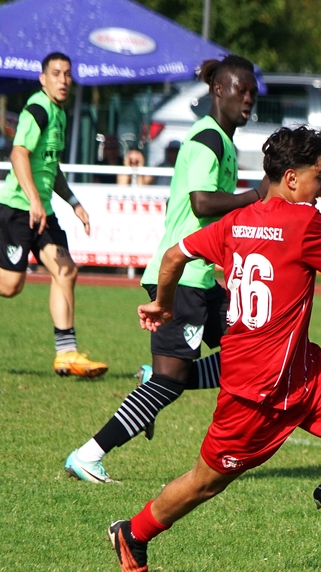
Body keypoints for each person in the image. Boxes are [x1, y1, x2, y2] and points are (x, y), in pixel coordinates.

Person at [107, 125, 321, 572]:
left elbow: (172, 257)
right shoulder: (306, 222)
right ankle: (133, 533)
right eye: (319, 176)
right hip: (253, 392)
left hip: (306, 372)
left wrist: (162, 305)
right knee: (205, 483)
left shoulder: (236, 221)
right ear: (291, 178)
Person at [64, 55, 267, 483]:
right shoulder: (208, 139)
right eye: (241, 90)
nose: (248, 98)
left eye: (253, 92)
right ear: (218, 91)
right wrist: (256, 195)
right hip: (181, 278)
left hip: (200, 277)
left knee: (250, 353)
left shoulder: (222, 141)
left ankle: (152, 378)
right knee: (170, 383)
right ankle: (87, 454)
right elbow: (201, 202)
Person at [0, 52, 107, 378]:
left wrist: (73, 202)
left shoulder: (58, 113)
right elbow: (19, 154)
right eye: (56, 74)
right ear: (43, 79)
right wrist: (33, 200)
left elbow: (50, 166)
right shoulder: (38, 109)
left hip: (40, 210)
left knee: (66, 270)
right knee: (10, 285)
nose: (63, 80)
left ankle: (66, 355)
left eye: (67, 74)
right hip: (18, 209)